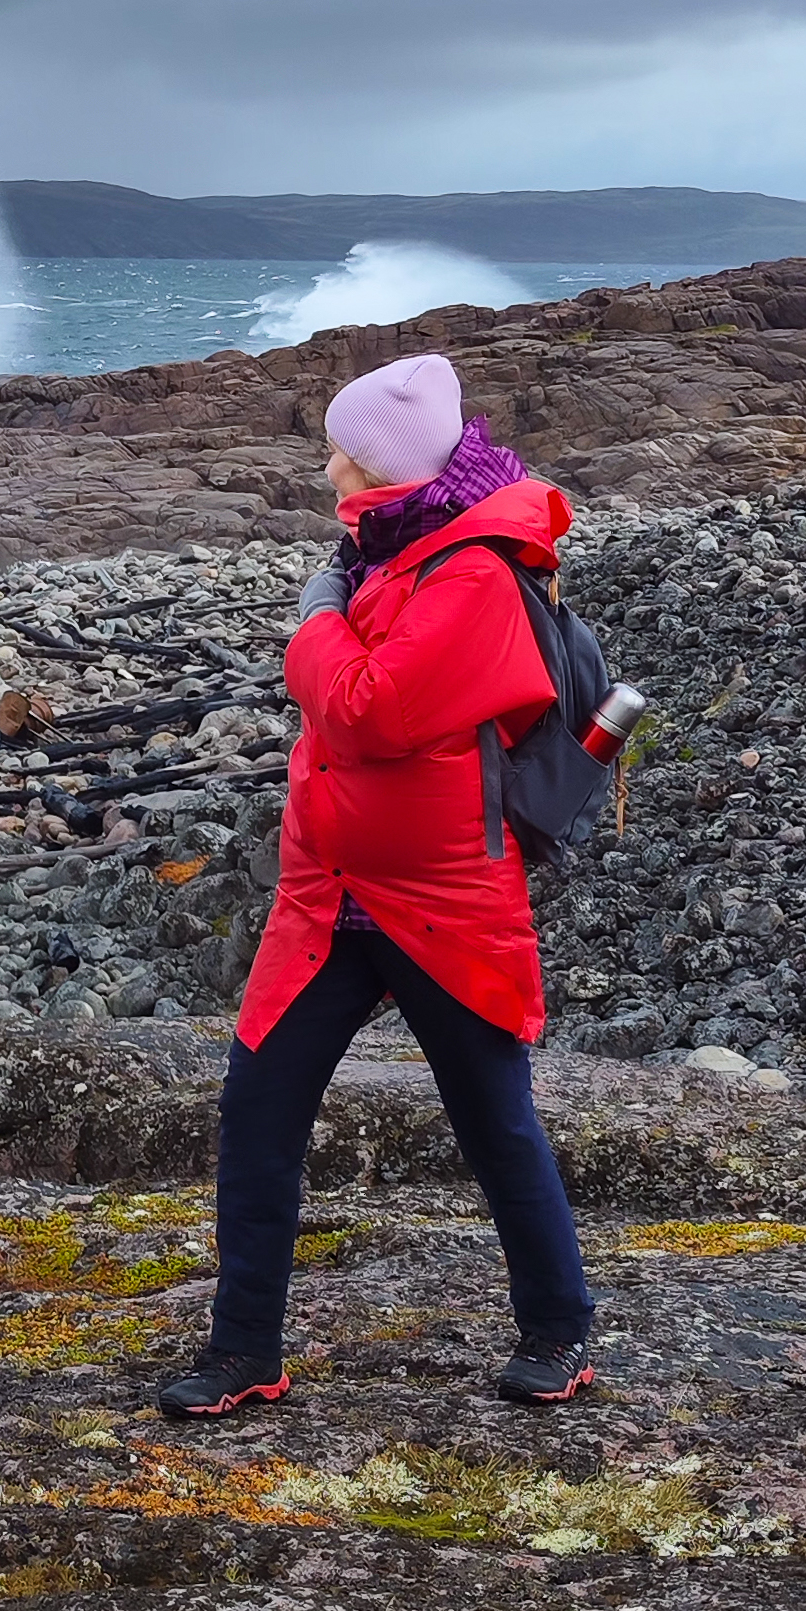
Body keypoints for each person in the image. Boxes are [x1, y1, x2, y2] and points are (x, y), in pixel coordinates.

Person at [159, 350, 597, 1419]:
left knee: (493, 1122)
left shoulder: (476, 574)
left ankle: (557, 1328)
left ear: (387, 467)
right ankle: (242, 1348)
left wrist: (310, 620)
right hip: (328, 893)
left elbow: (366, 710)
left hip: (442, 894)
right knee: (257, 1109)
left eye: (342, 452)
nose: (327, 468)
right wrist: (335, 600)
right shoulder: (387, 550)